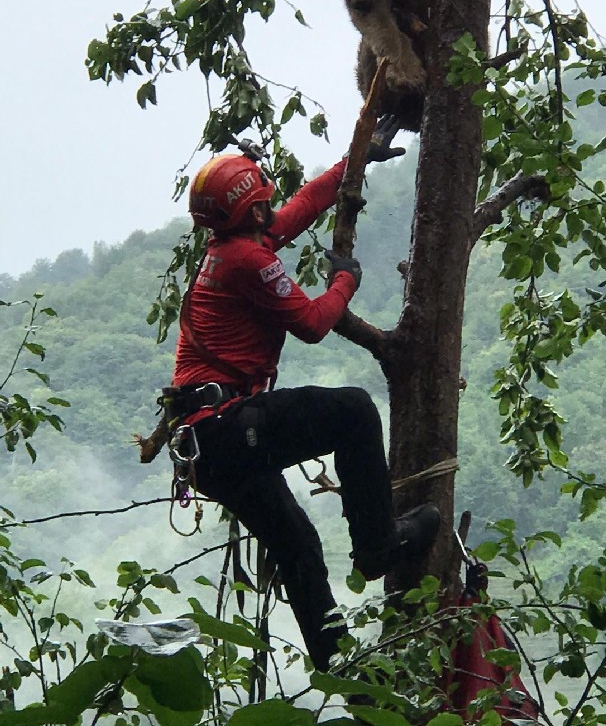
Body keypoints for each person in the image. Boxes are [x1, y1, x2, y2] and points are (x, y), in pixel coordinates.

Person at [168, 121, 441, 671]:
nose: (272, 207)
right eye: (262, 201)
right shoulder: (248, 260)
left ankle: (344, 676)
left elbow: (301, 207)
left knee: (298, 549)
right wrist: (346, 280)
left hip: (209, 446)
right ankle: (378, 543)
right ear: (248, 211)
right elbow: (314, 324)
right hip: (226, 426)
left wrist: (355, 161)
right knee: (354, 412)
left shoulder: (234, 245)